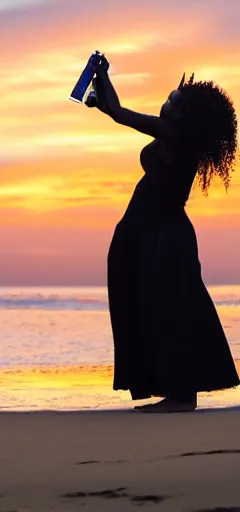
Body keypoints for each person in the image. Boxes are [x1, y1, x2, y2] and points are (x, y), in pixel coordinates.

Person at [89, 55, 240, 413]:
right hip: (154, 235)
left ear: (183, 116)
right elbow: (113, 109)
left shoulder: (174, 135)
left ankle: (182, 397)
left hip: (164, 238)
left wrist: (102, 77)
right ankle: (176, 393)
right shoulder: (176, 137)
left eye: (173, 100)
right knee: (162, 311)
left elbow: (119, 112)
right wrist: (100, 81)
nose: (166, 101)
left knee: (170, 312)